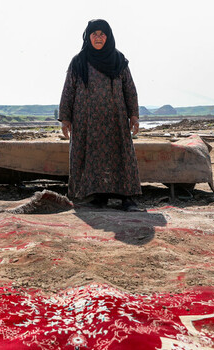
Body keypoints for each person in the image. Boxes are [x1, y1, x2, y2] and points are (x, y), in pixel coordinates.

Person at [58, 19, 141, 211]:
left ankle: (127, 198)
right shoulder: (79, 61)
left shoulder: (119, 60)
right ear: (88, 36)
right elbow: (68, 89)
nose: (98, 37)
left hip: (116, 119)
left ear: (108, 36)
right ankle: (98, 196)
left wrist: (134, 115)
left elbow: (129, 89)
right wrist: (65, 118)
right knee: (92, 158)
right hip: (87, 121)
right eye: (94, 33)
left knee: (122, 155)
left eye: (102, 34)